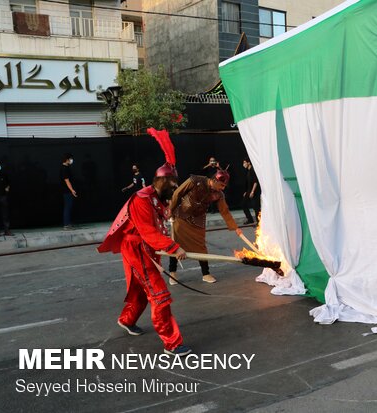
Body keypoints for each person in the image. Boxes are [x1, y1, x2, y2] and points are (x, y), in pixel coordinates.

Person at [98, 128, 191, 357]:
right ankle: (172, 343)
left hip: (145, 247)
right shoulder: (142, 199)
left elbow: (161, 220)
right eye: (173, 183)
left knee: (141, 288)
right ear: (162, 180)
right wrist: (174, 247)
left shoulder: (156, 198)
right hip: (137, 247)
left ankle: (127, 320)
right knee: (159, 294)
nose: (174, 187)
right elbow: (148, 232)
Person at [168, 170, 243, 284]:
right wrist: (171, 210)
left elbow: (225, 211)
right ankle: (172, 272)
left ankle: (206, 273)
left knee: (201, 247)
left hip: (198, 221)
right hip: (181, 217)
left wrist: (235, 227)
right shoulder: (195, 180)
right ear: (214, 180)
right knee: (176, 244)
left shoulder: (218, 194)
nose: (223, 188)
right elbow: (177, 193)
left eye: (224, 186)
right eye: (222, 185)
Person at [60, 153, 77, 230]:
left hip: (68, 190)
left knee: (69, 207)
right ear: (67, 159)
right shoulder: (64, 168)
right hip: (67, 191)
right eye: (70, 159)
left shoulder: (66, 168)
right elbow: (67, 181)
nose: (71, 160)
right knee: (67, 207)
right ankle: (66, 224)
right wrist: (72, 190)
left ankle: (69, 223)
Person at [0, 160, 12, 237]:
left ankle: (7, 230)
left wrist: (7, 188)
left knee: (5, 213)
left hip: (3, 197)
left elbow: (8, 183)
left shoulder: (4, 174)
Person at [242, 158, 261, 224]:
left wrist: (252, 192)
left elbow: (255, 182)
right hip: (249, 191)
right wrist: (246, 192)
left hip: (255, 191)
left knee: (256, 207)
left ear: (249, 162)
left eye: (244, 162)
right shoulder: (248, 171)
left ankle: (259, 222)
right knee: (244, 204)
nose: (243, 164)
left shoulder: (253, 170)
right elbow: (248, 183)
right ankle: (250, 219)